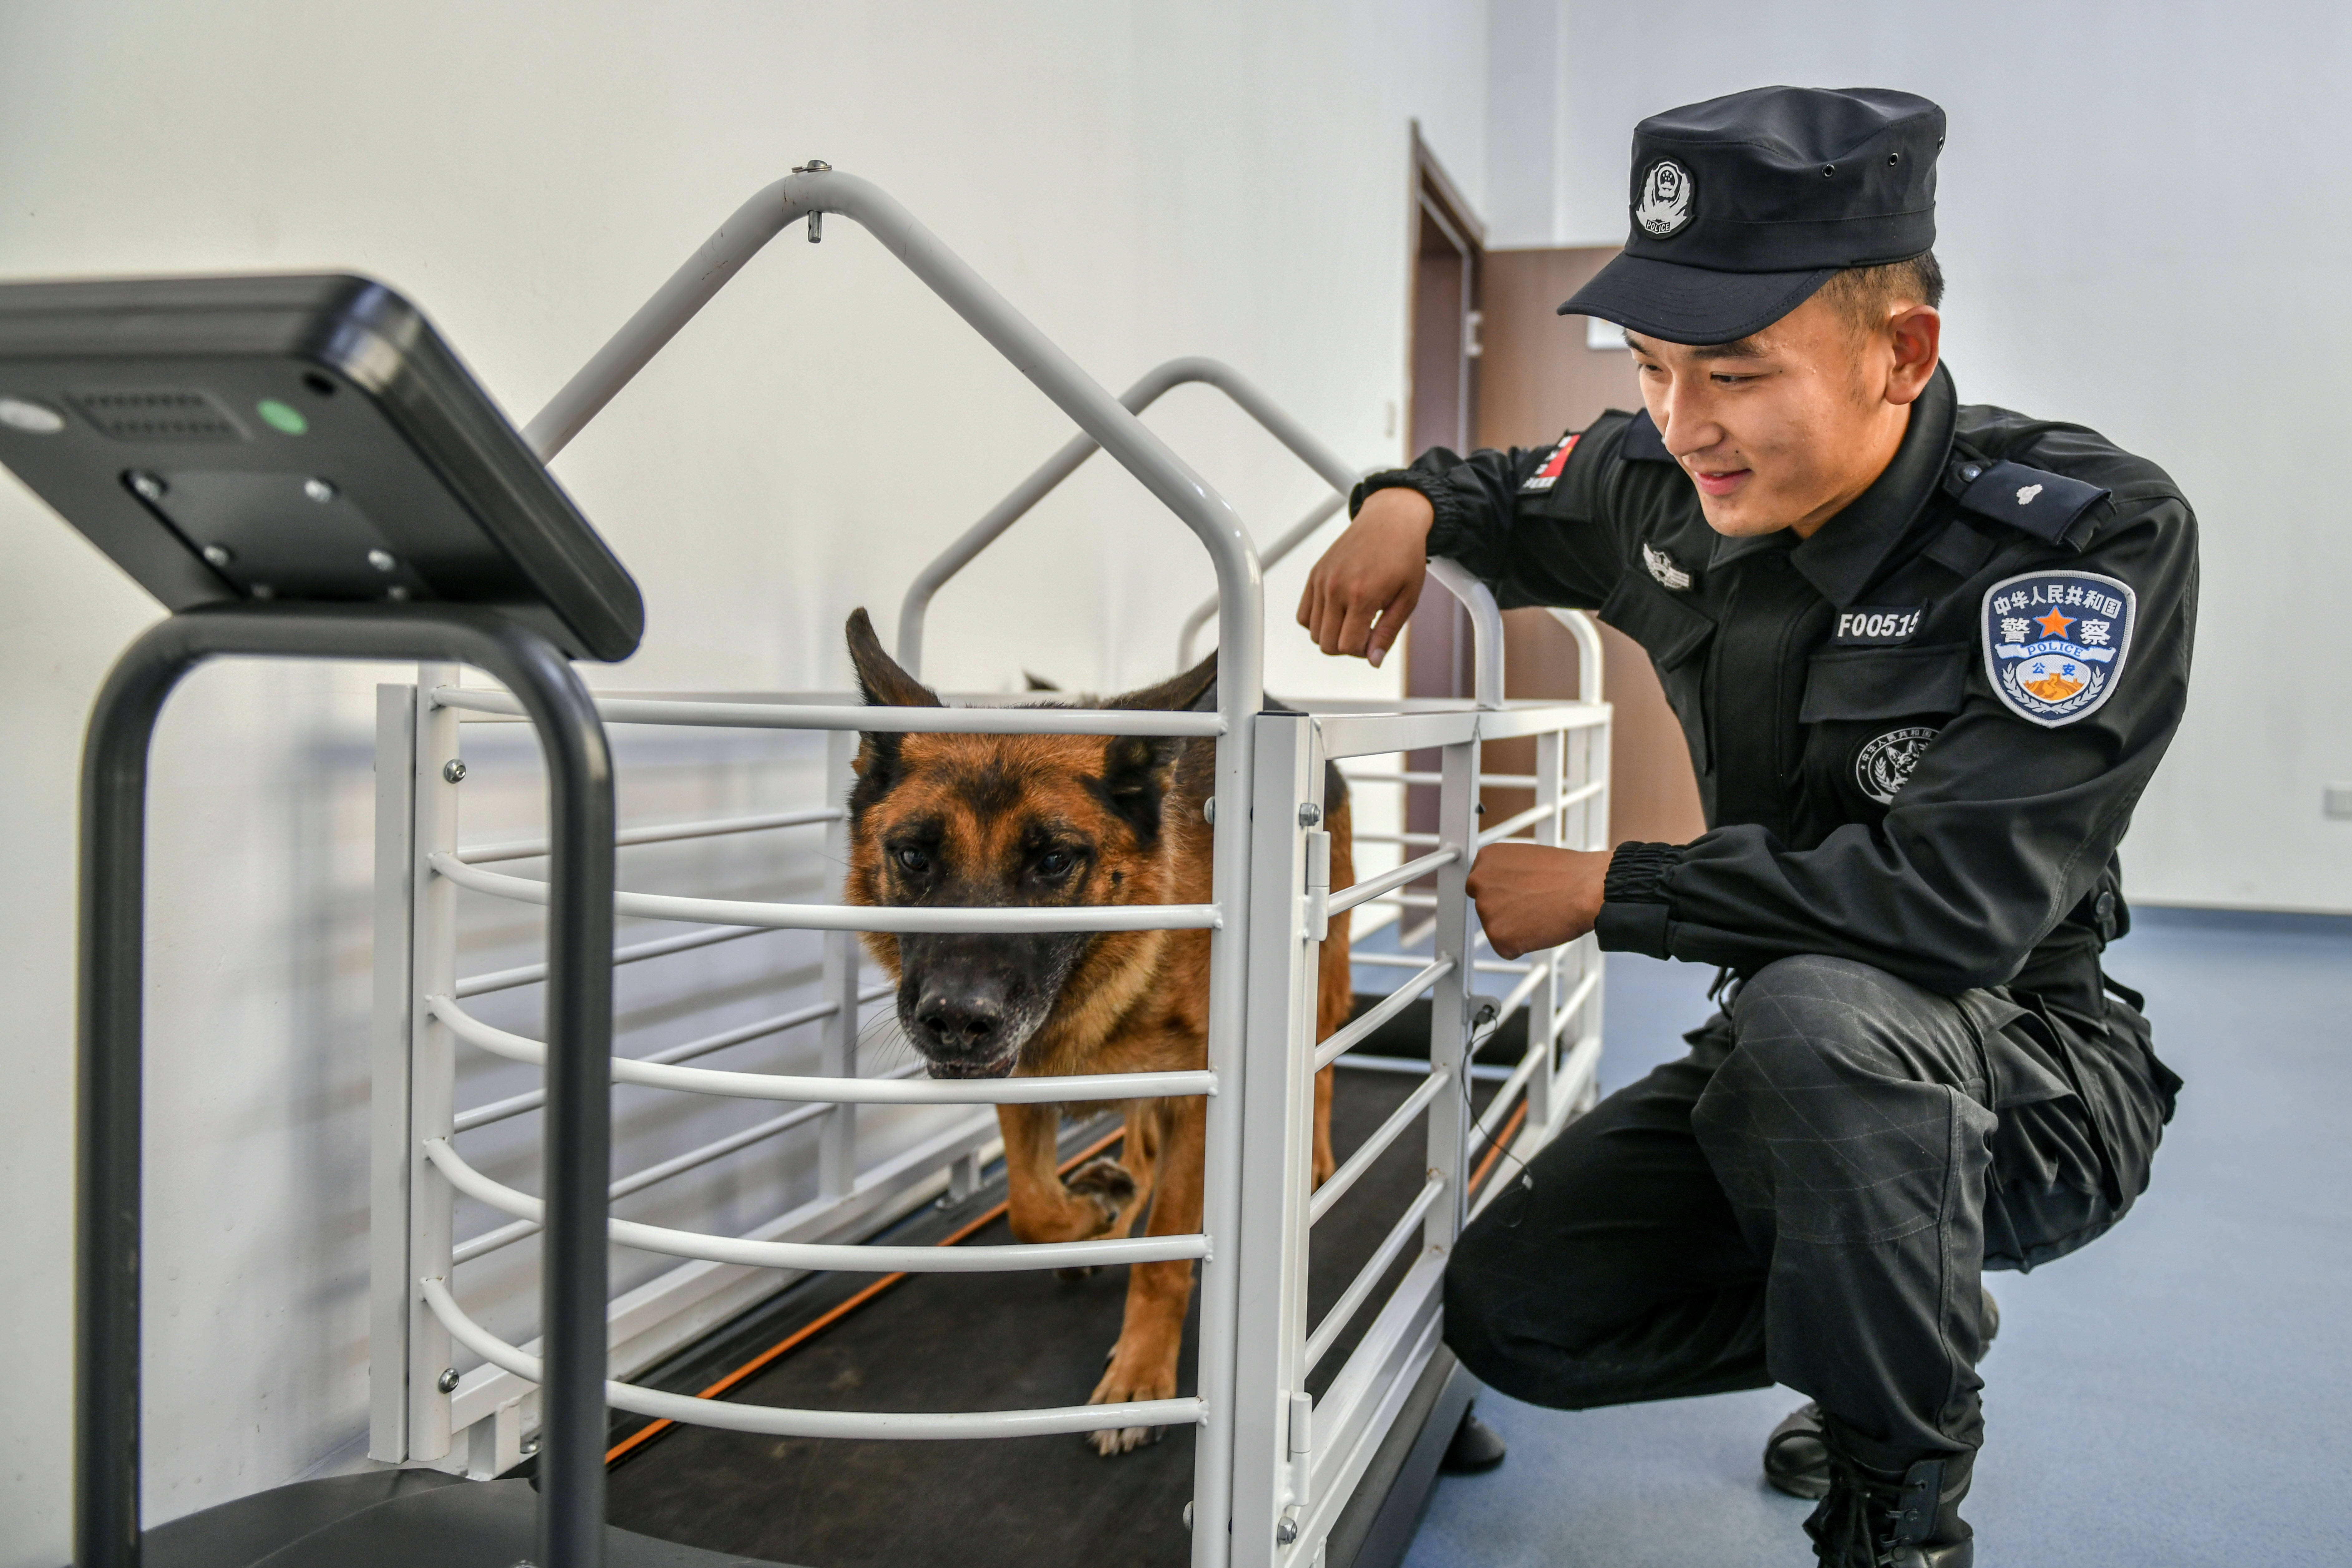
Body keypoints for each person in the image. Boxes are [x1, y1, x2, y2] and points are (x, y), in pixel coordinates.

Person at [1299, 86, 2192, 1567]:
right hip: (1799, 1057)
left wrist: (1616, 888)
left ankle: (1897, 1497)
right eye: (1649, 368)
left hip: (2030, 1070)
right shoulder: (1671, 480)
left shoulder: (2078, 537)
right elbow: (1500, 490)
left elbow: (1954, 906)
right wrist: (1402, 502)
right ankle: (1898, 1310)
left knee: (1818, 1025)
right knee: (1523, 1311)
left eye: (1730, 372)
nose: (1680, 423)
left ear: (1900, 354)